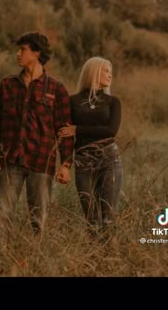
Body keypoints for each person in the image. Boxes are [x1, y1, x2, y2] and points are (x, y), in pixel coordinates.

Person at [0, 32, 74, 237]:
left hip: (42, 162)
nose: (18, 54)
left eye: (22, 49)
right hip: (10, 160)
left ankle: (36, 261)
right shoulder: (6, 86)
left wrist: (66, 164)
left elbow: (64, 130)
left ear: (36, 53)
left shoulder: (56, 89)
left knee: (39, 220)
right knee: (0, 216)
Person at [58, 57, 123, 237]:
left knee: (109, 217)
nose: (110, 75)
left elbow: (111, 131)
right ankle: (94, 260)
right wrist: (65, 164)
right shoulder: (72, 101)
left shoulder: (113, 102)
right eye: (106, 71)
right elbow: (65, 135)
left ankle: (112, 260)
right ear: (93, 72)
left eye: (111, 72)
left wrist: (78, 129)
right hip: (83, 161)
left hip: (109, 159)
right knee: (91, 218)